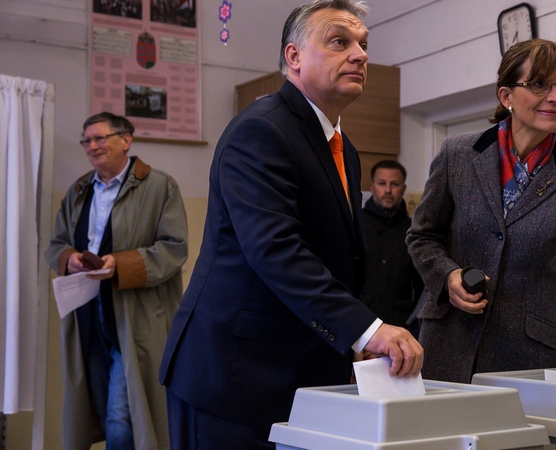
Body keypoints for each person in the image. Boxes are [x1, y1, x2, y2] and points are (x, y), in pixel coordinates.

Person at [159, 1, 423, 448]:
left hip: (298, 373)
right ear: (294, 57)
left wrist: (349, 337)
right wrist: (367, 327)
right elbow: (276, 249)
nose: (359, 54)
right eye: (340, 41)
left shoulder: (343, 147)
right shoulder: (260, 130)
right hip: (235, 378)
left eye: (363, 44)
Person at [406, 39, 556, 384]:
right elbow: (422, 236)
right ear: (506, 96)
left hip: (526, 357)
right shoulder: (458, 155)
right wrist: (448, 276)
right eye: (539, 84)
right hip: (445, 347)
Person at [45, 112, 188, 450]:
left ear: (126, 140)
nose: (92, 146)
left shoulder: (160, 186)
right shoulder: (78, 191)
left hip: (134, 318)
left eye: (100, 138)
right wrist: (71, 259)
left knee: (122, 420)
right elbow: (56, 245)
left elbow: (174, 248)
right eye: (86, 140)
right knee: (95, 408)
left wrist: (119, 266)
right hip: (87, 316)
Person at [361, 160, 424, 337]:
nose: (387, 190)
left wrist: (415, 324)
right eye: (382, 184)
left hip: (401, 325)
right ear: (372, 187)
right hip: (360, 322)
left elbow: (422, 288)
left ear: (403, 189)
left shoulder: (415, 231)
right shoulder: (355, 226)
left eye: (394, 184)